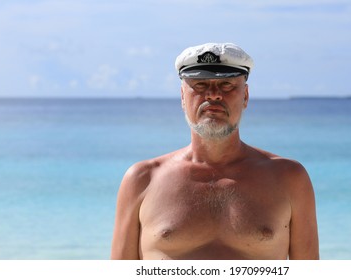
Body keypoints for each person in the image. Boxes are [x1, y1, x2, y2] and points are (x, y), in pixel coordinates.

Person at [111, 43, 319, 260]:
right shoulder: (143, 179)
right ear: (183, 97)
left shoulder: (289, 178)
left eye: (227, 84)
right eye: (200, 85)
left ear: (245, 96)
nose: (213, 95)